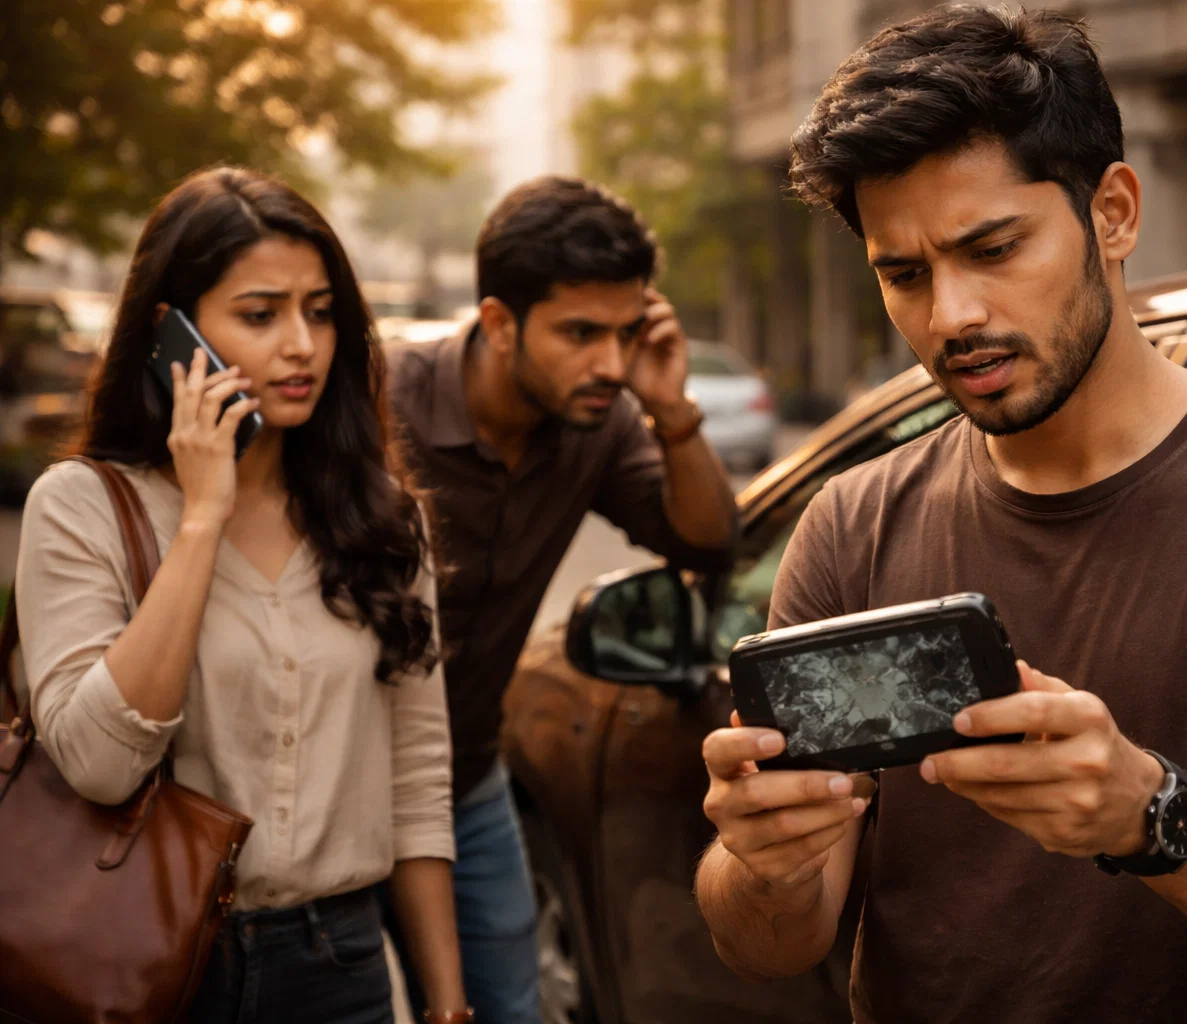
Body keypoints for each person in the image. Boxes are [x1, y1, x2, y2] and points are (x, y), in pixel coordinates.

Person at [693, 7, 1187, 1023]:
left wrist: (1152, 813)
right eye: (904, 274)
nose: (951, 314)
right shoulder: (853, 520)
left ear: (1115, 212)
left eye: (993, 247)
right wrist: (765, 857)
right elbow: (772, 941)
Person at [14, 167, 473, 1024]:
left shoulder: (380, 517)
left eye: (322, 310)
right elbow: (100, 767)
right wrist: (203, 516)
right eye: (260, 315)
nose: (301, 344)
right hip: (139, 960)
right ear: (171, 334)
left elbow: (416, 782)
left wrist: (448, 1004)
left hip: (339, 967)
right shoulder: (81, 507)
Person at [384, 175, 738, 1022]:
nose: (610, 364)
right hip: (326, 793)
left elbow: (705, 538)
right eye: (581, 333)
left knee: (509, 1008)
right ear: (500, 323)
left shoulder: (605, 419)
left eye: (625, 332)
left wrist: (671, 410)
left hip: (465, 780)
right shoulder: (378, 399)